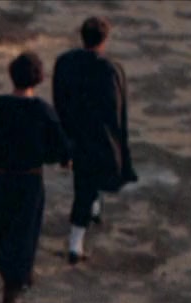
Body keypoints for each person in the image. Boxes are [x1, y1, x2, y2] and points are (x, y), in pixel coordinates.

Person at [0, 52, 69, 303]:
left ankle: (18, 276)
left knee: (4, 230)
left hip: (2, 178)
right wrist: (54, 157)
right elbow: (61, 148)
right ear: (39, 78)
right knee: (25, 234)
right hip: (30, 180)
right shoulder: (43, 111)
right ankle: (11, 296)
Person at [52, 16, 137, 265]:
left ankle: (92, 212)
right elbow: (116, 110)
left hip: (71, 131)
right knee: (86, 186)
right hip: (98, 136)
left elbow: (58, 98)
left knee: (85, 183)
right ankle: (75, 244)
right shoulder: (110, 69)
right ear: (105, 40)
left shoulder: (64, 62)